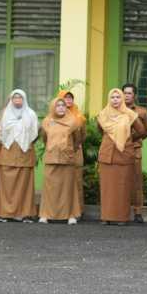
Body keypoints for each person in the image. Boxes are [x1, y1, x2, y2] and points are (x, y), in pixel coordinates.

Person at [97, 89, 147, 226]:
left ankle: (121, 217)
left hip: (124, 153)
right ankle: (106, 217)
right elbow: (100, 130)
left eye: (118, 97)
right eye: (112, 97)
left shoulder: (130, 114)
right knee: (107, 187)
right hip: (107, 154)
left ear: (122, 99)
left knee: (122, 187)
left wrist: (129, 138)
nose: (115, 99)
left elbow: (142, 130)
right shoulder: (103, 114)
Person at [38, 97, 84, 225]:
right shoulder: (47, 121)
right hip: (51, 157)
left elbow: (78, 139)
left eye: (63, 105)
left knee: (68, 188)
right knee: (49, 188)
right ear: (53, 107)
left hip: (67, 158)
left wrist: (69, 149)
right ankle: (45, 214)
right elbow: (44, 138)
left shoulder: (73, 121)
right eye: (58, 105)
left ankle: (71, 215)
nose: (61, 108)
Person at [0, 90, 39, 223]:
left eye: (20, 97)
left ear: (24, 99)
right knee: (7, 185)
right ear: (11, 99)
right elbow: (1, 134)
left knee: (24, 185)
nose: (17, 100)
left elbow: (34, 133)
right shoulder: (5, 114)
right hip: (8, 152)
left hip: (25, 152)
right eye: (15, 97)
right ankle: (5, 214)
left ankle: (25, 213)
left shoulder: (31, 114)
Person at [123, 84, 147, 223]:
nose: (126, 95)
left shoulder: (141, 112)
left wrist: (134, 138)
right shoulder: (116, 110)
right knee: (120, 182)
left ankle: (138, 212)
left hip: (134, 149)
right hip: (119, 150)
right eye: (125, 93)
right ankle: (120, 210)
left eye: (129, 93)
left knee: (136, 182)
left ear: (134, 95)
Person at [58, 90, 86, 218]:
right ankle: (60, 210)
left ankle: (78, 211)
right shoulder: (55, 116)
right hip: (60, 153)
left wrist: (74, 146)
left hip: (75, 152)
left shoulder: (79, 117)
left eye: (71, 98)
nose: (68, 100)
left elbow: (83, 135)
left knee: (76, 181)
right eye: (65, 98)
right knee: (61, 181)